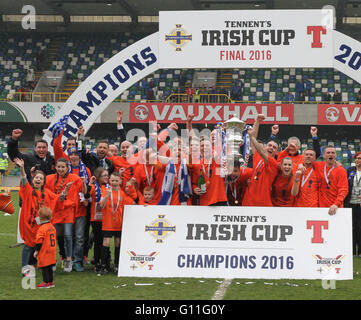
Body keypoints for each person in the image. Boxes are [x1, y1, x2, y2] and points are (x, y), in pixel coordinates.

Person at [14, 157, 69, 273]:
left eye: (41, 179)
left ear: (44, 182)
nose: (38, 180)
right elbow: (23, 179)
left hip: (42, 225)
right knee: (28, 246)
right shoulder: (28, 190)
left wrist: (64, 193)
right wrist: (22, 168)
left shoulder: (47, 193)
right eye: (37, 178)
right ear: (33, 180)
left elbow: (58, 200)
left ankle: (44, 264)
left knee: (42, 245)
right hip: (30, 224)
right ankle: (25, 267)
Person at [45, 158, 84, 272]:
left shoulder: (75, 179)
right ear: (55, 167)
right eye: (59, 167)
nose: (61, 169)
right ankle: (52, 260)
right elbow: (46, 193)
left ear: (67, 168)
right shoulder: (49, 178)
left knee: (68, 236)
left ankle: (68, 260)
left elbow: (83, 191)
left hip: (67, 212)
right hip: (55, 211)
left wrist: (85, 183)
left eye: (63, 167)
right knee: (53, 237)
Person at [97, 172, 136, 275]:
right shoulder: (105, 191)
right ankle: (104, 266)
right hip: (108, 222)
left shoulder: (122, 194)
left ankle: (117, 265)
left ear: (120, 181)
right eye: (112, 180)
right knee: (106, 242)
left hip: (118, 223)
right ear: (109, 180)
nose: (114, 182)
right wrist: (106, 196)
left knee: (118, 243)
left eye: (116, 181)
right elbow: (101, 207)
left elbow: (131, 204)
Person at [242, 114, 280, 207]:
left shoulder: (273, 163)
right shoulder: (258, 156)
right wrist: (257, 121)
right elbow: (253, 141)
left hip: (263, 204)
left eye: (274, 147)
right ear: (266, 146)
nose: (271, 148)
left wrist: (252, 137)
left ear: (276, 152)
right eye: (269, 145)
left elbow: (257, 144)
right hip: (248, 202)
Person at [68, 147, 91, 272]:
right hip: (68, 209)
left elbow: (88, 188)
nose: (73, 156)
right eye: (71, 154)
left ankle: (77, 261)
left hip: (81, 208)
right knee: (68, 237)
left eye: (75, 154)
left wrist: (86, 196)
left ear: (79, 156)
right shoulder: (65, 170)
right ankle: (69, 260)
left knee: (80, 237)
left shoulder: (85, 170)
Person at [313, 146, 348, 215]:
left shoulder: (341, 170)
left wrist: (336, 204)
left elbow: (344, 190)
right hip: (321, 208)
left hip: (336, 208)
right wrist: (300, 165)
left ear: (336, 155)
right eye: (328, 153)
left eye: (333, 153)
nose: (330, 154)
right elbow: (306, 160)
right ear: (324, 155)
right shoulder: (318, 165)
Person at [88, 167, 109, 273]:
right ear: (98, 177)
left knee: (106, 241)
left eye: (107, 175)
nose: (106, 177)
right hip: (95, 219)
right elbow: (86, 194)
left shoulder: (108, 187)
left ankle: (106, 261)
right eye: (103, 175)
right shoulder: (93, 187)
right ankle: (96, 261)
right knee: (98, 241)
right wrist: (89, 183)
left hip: (107, 218)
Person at [34, 207, 57, 288]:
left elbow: (39, 241)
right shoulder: (52, 227)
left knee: (44, 267)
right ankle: (51, 282)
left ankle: (45, 282)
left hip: (45, 250)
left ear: (40, 217)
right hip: (52, 250)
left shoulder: (41, 229)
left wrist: (36, 251)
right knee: (50, 266)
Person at [344, 152, 361, 256]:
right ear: (354, 160)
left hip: (360, 204)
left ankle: (360, 251)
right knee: (351, 227)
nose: (359, 160)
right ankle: (352, 251)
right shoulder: (350, 170)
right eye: (357, 158)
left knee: (360, 227)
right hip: (350, 203)